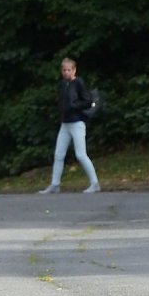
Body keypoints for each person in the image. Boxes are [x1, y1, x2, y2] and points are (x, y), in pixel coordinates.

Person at [39, 57, 100, 194]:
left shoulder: (78, 82)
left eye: (69, 70)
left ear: (74, 70)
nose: (66, 72)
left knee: (81, 154)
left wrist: (74, 106)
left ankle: (95, 183)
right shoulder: (63, 85)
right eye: (64, 70)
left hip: (77, 122)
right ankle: (55, 184)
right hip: (65, 123)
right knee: (59, 154)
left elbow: (87, 101)